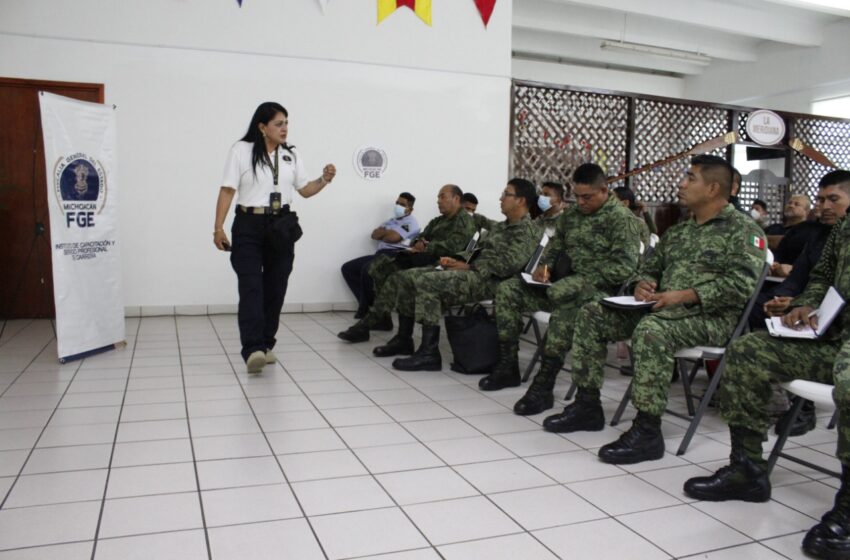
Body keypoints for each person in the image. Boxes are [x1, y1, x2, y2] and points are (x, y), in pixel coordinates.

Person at [552, 155, 765, 465]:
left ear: (713, 188)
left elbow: (740, 288)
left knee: (652, 331)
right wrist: (643, 283)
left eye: (690, 178)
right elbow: (649, 267)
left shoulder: (744, 231)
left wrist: (685, 295)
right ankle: (587, 405)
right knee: (592, 313)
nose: (681, 183)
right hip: (662, 309)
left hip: (711, 318)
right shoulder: (680, 231)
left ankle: (648, 430)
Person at [682, 205, 850, 560]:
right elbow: (821, 276)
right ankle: (748, 469)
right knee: (748, 350)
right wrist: (804, 304)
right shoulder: (843, 227)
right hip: (834, 337)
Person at [479, 164, 642, 418]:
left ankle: (544, 383)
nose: (580, 202)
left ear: (604, 190)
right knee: (509, 289)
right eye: (576, 196)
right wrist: (545, 267)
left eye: (586, 197)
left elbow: (623, 269)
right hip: (560, 286)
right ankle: (507, 364)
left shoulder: (622, 220)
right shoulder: (572, 215)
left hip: (598, 291)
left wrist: (576, 283)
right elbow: (554, 248)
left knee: (567, 305)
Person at [214, 102, 336, 373]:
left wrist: (324, 179)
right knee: (251, 287)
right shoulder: (241, 150)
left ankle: (266, 343)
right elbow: (227, 190)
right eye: (278, 124)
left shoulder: (291, 154)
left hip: (281, 224)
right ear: (262, 127)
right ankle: (253, 349)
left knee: (276, 287)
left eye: (286, 123)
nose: (285, 129)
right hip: (248, 224)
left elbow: (305, 190)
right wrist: (218, 228)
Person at [369, 178, 540, 372]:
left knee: (427, 281)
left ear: (521, 201)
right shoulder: (500, 227)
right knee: (409, 278)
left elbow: (508, 265)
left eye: (506, 194)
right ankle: (405, 340)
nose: (501, 198)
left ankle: (429, 353)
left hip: (492, 281)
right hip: (475, 273)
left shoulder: (528, 230)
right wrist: (458, 260)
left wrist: (469, 267)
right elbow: (477, 250)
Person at [749, 171, 850, 437]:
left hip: (835, 322)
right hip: (810, 309)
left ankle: (803, 407)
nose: (824, 207)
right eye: (820, 200)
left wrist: (805, 304)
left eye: (833, 199)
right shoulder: (819, 236)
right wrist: (785, 300)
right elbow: (805, 278)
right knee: (753, 309)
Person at [337, 185, 475, 343]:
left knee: (399, 278)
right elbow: (420, 236)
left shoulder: (464, 221)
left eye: (442, 197)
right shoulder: (438, 221)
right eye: (438, 197)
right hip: (423, 259)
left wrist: (427, 246)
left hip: (442, 265)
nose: (438, 201)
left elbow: (453, 246)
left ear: (456, 199)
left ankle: (371, 326)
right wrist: (420, 242)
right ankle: (379, 318)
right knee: (381, 267)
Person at [341, 193, 420, 319]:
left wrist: (386, 233)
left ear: (410, 209)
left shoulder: (410, 222)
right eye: (397, 203)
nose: (398, 206)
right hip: (380, 254)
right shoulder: (391, 221)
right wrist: (388, 233)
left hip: (395, 256)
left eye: (402, 204)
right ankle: (368, 307)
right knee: (348, 268)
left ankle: (373, 313)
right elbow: (374, 235)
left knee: (367, 270)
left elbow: (393, 238)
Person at [767, 194, 821, 273]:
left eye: (797, 204)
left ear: (806, 211)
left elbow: (783, 241)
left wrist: (765, 239)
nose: (791, 206)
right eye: (789, 203)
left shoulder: (807, 230)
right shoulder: (774, 227)